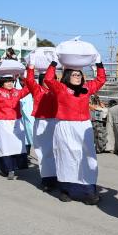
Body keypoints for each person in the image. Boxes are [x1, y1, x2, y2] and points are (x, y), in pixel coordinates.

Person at [44, 59, 107, 204]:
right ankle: (65, 190)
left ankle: (89, 191)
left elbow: (101, 79)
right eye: (74, 75)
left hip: (83, 127)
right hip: (65, 126)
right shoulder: (60, 88)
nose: (77, 77)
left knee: (87, 159)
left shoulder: (87, 88)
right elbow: (48, 79)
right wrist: (54, 63)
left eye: (79, 75)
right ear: (67, 76)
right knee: (66, 158)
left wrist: (99, 64)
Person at [0, 73, 31, 180]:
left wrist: (25, 76)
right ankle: (8, 169)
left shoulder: (17, 92)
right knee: (6, 146)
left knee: (18, 145)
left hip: (17, 122)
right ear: (2, 83)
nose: (10, 83)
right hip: (3, 123)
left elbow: (29, 88)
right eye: (7, 81)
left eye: (11, 81)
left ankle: (16, 166)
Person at [23, 64, 59, 193]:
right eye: (46, 80)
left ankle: (58, 177)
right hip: (42, 123)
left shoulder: (58, 91)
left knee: (57, 151)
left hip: (57, 123)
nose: (49, 82)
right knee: (44, 152)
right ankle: (47, 179)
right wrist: (31, 67)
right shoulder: (37, 90)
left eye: (53, 79)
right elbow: (29, 80)